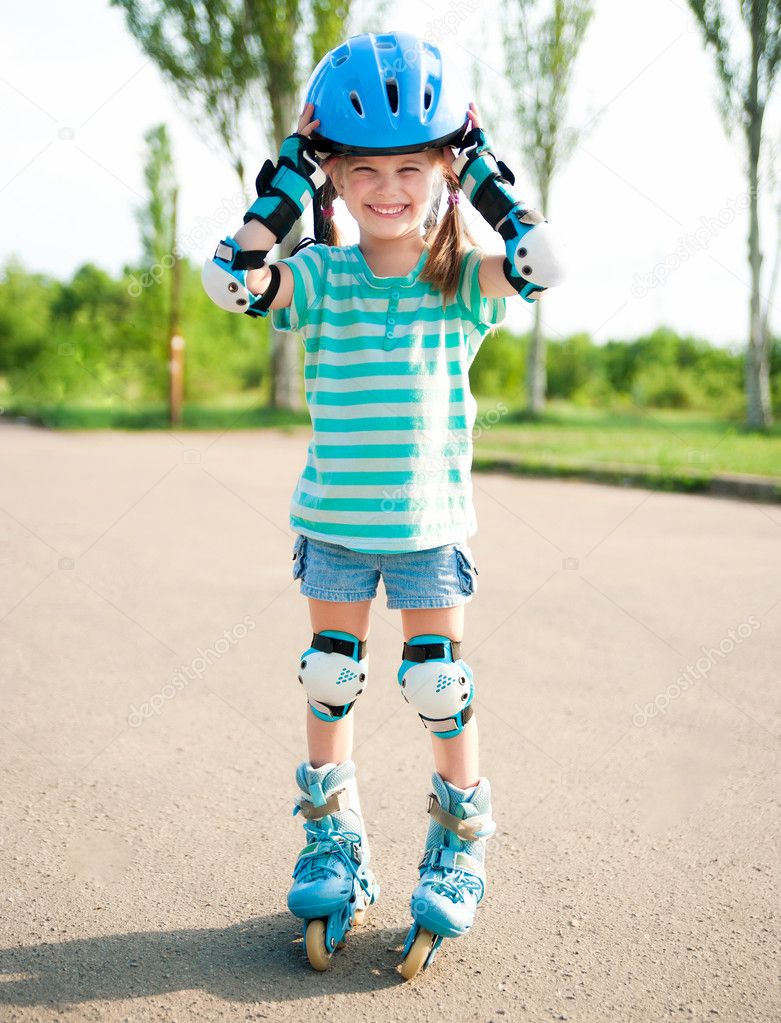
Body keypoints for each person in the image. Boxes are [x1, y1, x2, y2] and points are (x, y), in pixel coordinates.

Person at [201, 30, 565, 977]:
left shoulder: (461, 286)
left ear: (449, 167)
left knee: (436, 685)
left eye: (414, 165)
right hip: (333, 526)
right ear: (332, 178)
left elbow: (541, 263)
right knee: (330, 675)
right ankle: (333, 837)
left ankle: (460, 841)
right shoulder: (318, 280)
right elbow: (233, 282)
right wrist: (278, 191)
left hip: (428, 534)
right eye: (363, 169)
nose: (389, 187)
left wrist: (491, 183)